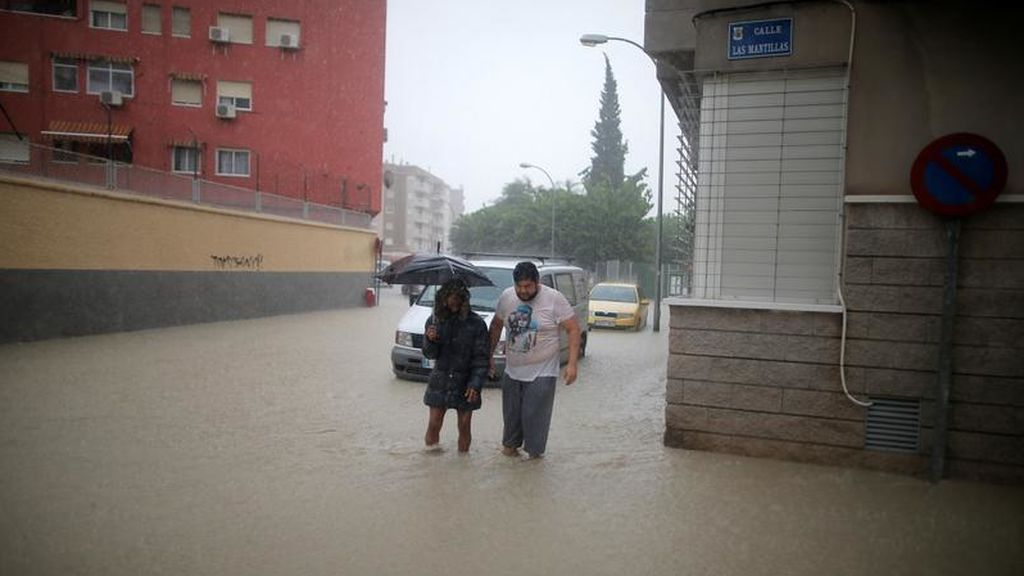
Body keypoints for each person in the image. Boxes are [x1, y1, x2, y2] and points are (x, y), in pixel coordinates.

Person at [488, 261, 581, 458]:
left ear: (537, 282)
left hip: (542, 372)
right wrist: (488, 356)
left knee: (534, 420)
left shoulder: (554, 299)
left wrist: (572, 365)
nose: (523, 291)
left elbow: (573, 329)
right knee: (511, 425)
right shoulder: (507, 297)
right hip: (512, 371)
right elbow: (496, 326)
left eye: (528, 286)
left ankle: (534, 465)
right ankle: (514, 470)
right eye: (519, 286)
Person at [422, 278, 490, 453]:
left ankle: (463, 461)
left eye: (456, 297)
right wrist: (430, 340)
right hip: (440, 379)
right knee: (434, 423)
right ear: (442, 298)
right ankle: (430, 461)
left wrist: (475, 384)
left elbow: (481, 359)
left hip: (466, 382)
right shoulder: (434, 321)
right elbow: (429, 354)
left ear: (463, 299)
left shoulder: (476, 324)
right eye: (448, 297)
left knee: (464, 426)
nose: (452, 301)